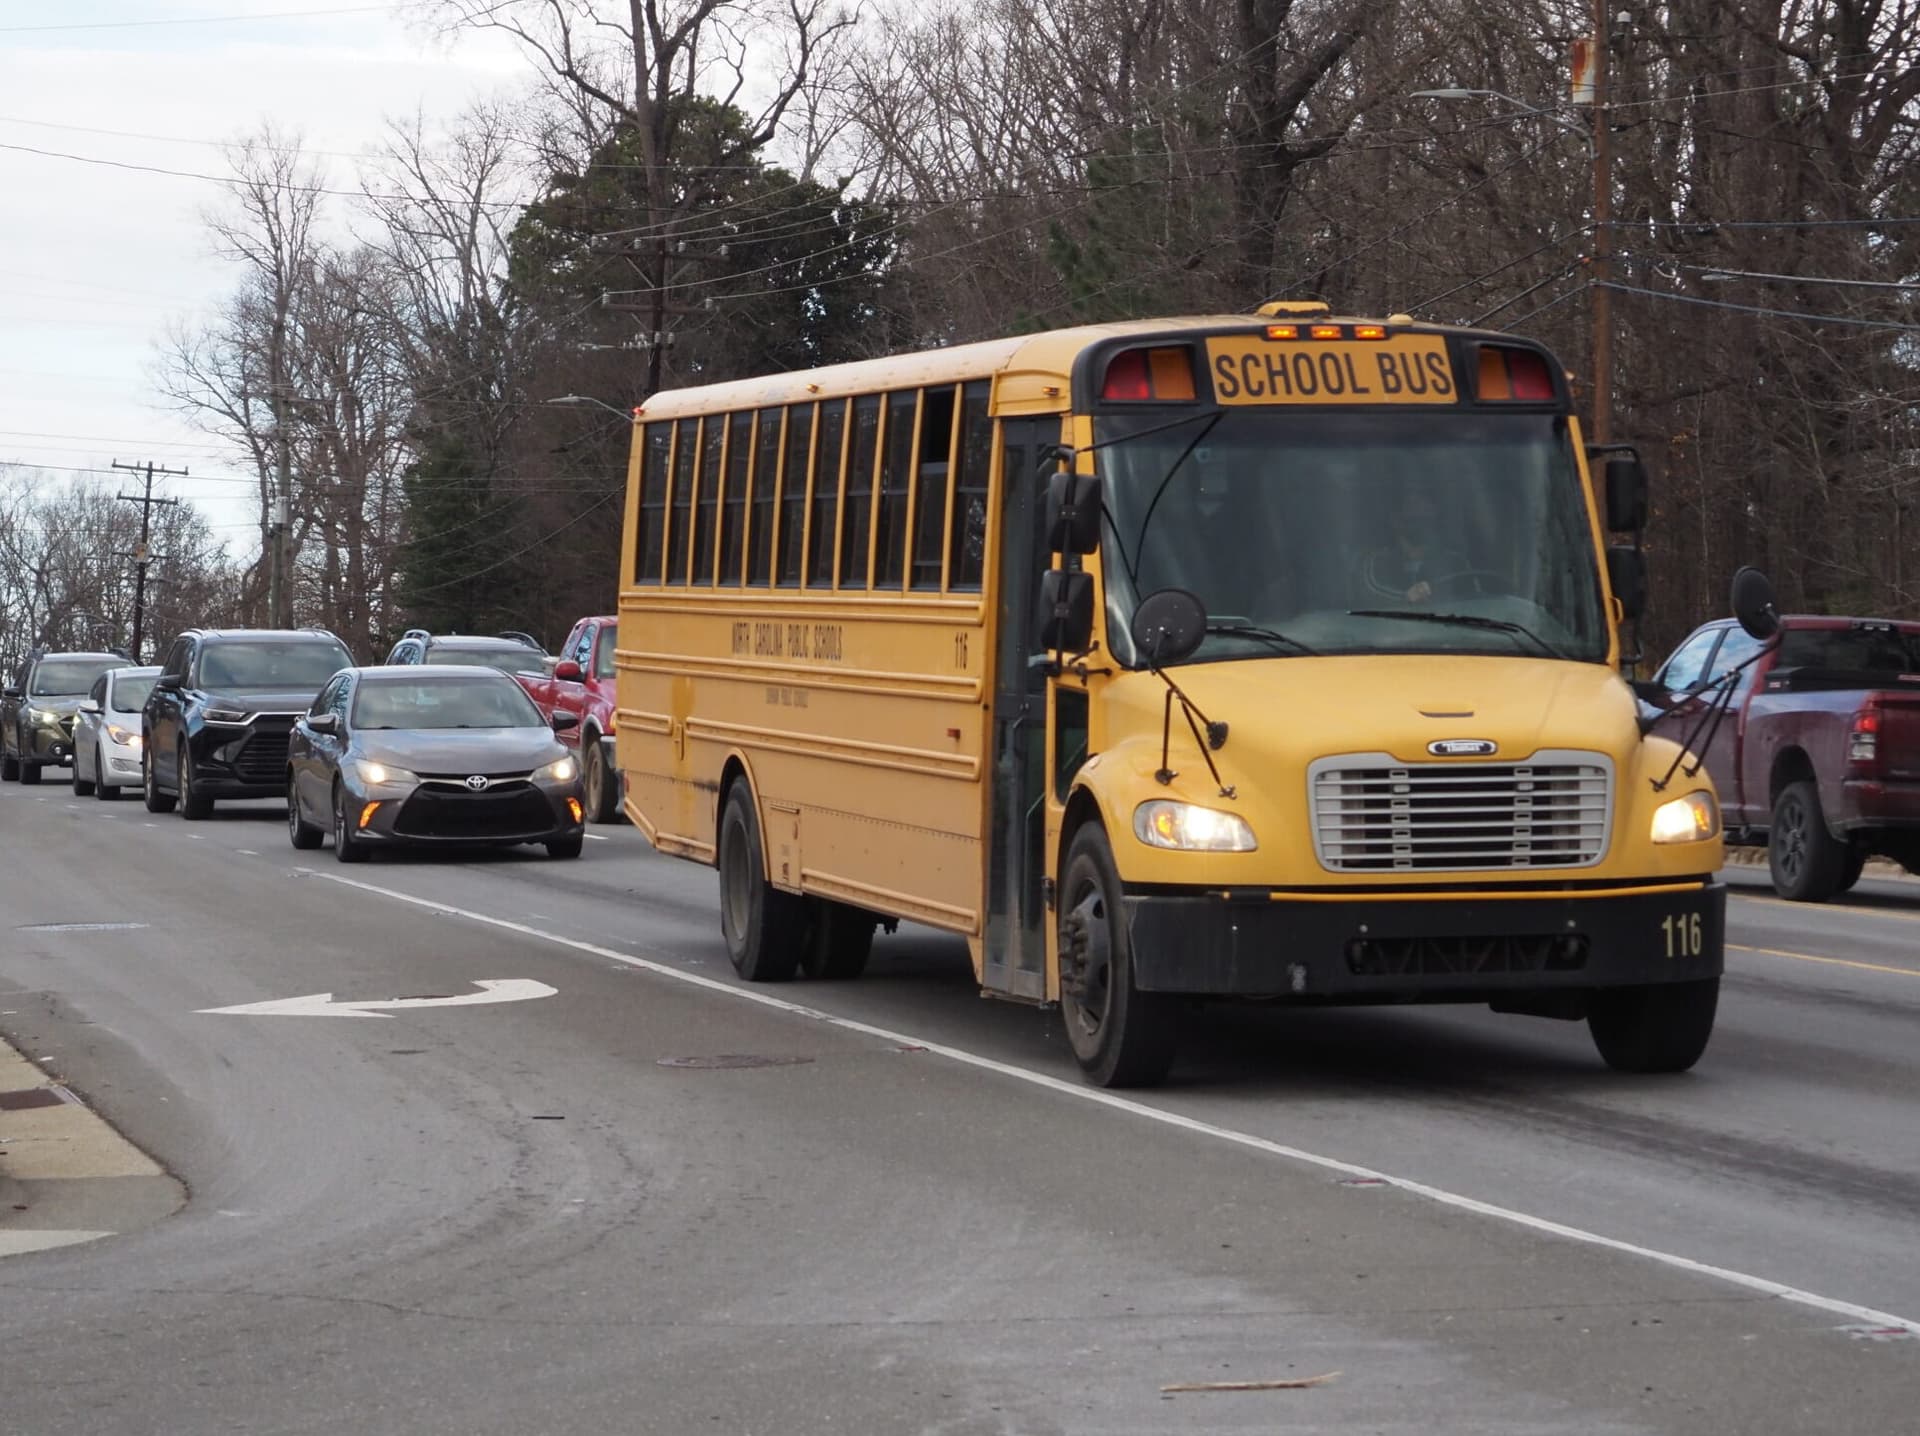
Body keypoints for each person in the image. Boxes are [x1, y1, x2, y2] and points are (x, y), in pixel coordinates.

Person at [1360, 489, 1466, 604]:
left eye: (1426, 514)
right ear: (1395, 519)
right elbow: (1369, 594)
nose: (1421, 512)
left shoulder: (1456, 561)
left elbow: (1476, 597)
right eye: (1413, 505)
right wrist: (1405, 597)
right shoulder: (1376, 563)